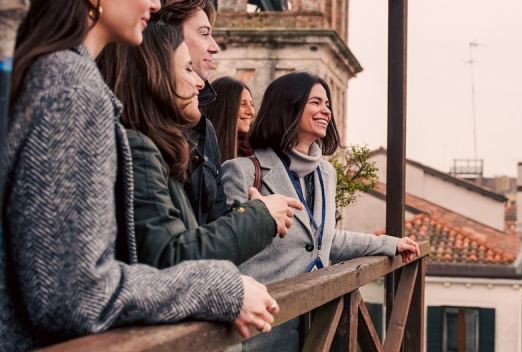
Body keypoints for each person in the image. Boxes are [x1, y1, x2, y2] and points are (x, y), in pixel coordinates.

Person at [0, 0, 277, 350]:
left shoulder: (46, 74)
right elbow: (75, 296)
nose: (154, 0)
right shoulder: (71, 87)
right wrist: (219, 286)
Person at [222, 71, 421, 351]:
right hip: (261, 333)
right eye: (316, 102)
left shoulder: (326, 173)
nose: (326, 110)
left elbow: (324, 240)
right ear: (289, 107)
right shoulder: (241, 172)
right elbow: (226, 251)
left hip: (318, 327)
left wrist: (390, 244)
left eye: (327, 103)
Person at [98, 22, 301, 268]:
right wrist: (260, 216)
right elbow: (169, 257)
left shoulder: (156, 148)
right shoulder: (139, 148)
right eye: (187, 69)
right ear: (156, 76)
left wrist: (252, 212)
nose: (200, 83)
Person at [151, 0, 227, 224]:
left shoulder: (205, 128)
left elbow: (216, 217)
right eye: (204, 34)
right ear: (168, 38)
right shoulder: (134, 125)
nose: (215, 47)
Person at [203, 76, 256, 161]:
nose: (251, 112)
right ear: (223, 108)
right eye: (242, 104)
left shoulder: (258, 152)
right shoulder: (201, 151)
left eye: (252, 104)